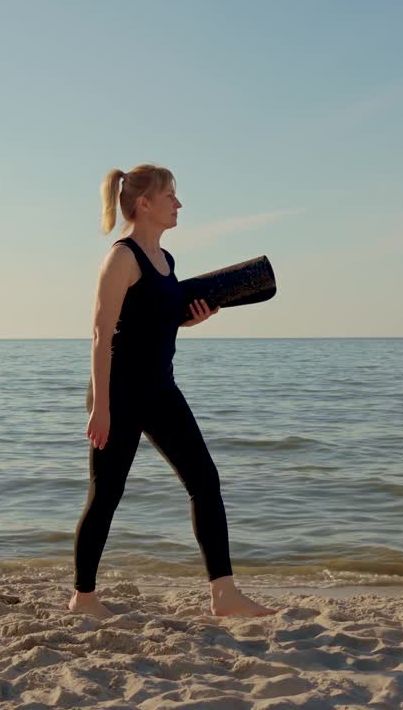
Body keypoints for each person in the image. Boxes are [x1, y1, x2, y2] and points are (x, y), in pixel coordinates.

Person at [68, 164, 277, 619]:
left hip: (161, 389)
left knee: (204, 480)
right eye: (171, 197)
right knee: (106, 493)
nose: (178, 205)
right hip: (118, 392)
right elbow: (102, 335)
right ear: (145, 204)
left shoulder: (166, 261)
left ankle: (223, 593)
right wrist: (101, 408)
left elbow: (153, 321)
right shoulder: (121, 258)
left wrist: (191, 318)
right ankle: (83, 598)